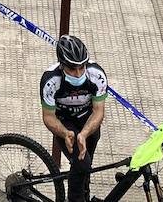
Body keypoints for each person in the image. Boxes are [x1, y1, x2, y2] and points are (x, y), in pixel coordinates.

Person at [41, 34, 107, 202]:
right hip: (65, 123)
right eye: (71, 68)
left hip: (88, 121)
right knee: (82, 163)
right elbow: (48, 117)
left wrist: (84, 133)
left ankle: (84, 191)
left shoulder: (96, 75)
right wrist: (65, 133)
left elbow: (98, 111)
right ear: (62, 65)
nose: (78, 74)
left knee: (85, 167)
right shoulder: (51, 81)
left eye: (81, 67)